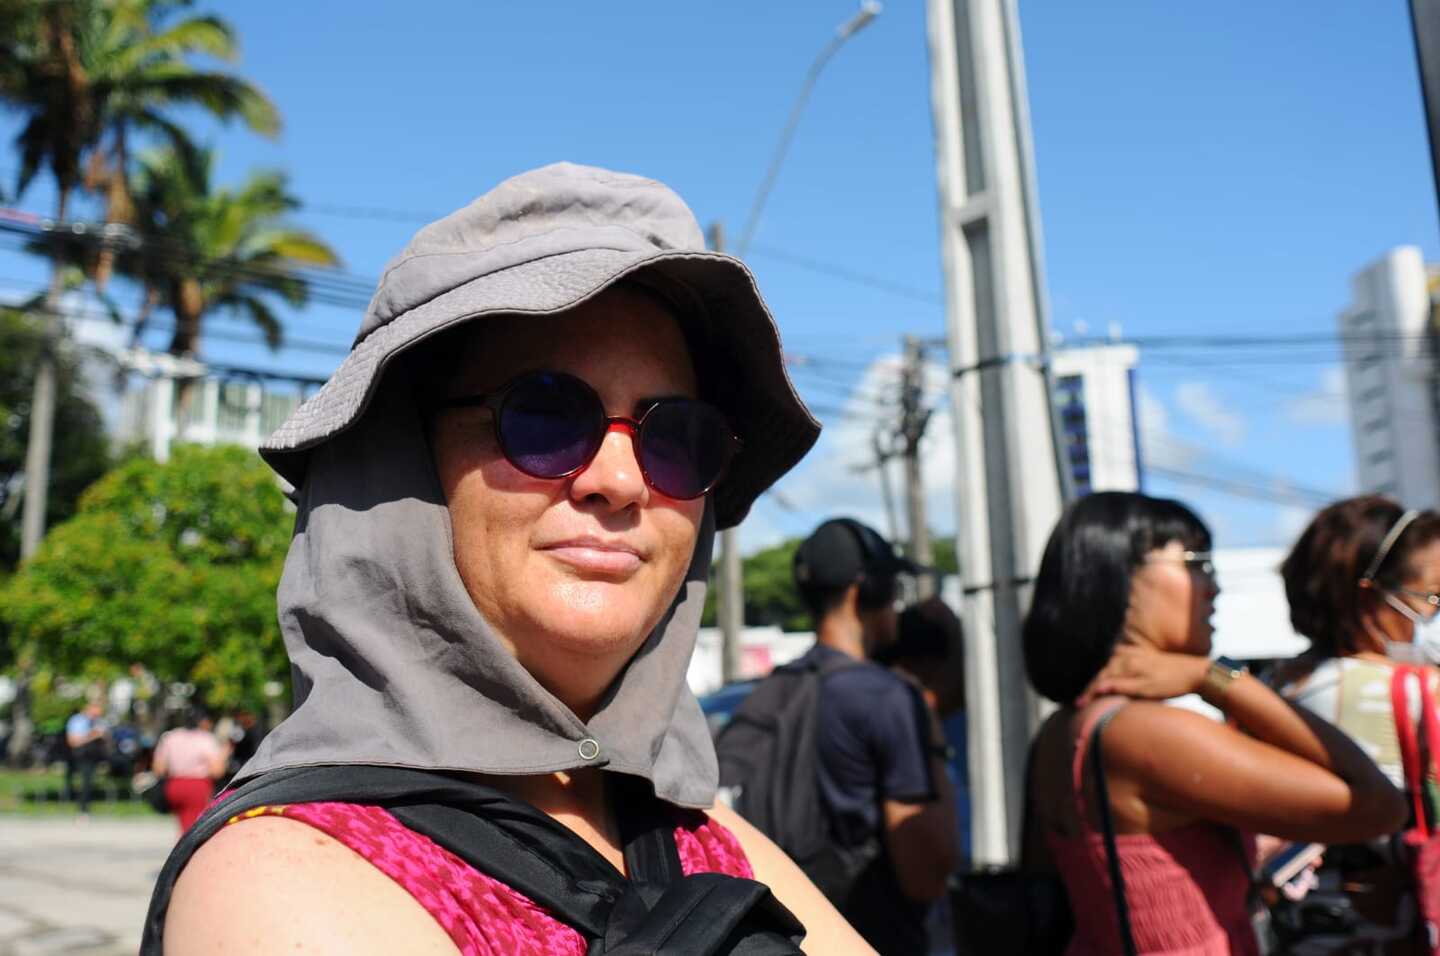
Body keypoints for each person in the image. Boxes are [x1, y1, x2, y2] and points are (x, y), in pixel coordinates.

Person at [149, 163, 871, 954]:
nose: (621, 481)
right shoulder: (281, 879)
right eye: (547, 419)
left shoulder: (710, 840)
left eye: (677, 438)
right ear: (406, 465)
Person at [1023, 491, 1406, 956]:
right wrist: (1218, 677)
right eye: (1195, 562)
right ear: (1122, 577)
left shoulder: (1064, 728)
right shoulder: (1145, 733)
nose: (1214, 585)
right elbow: (1379, 805)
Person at [1271, 496, 1440, 951]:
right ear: (1369, 595)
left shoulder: (1283, 684)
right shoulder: (1407, 693)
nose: (1434, 613)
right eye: (1432, 595)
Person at [789, 518, 961, 955]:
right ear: (862, 591)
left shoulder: (775, 688)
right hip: (883, 935)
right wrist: (933, 735)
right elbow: (927, 874)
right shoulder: (888, 696)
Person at [152, 709, 229, 832]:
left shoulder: (170, 737)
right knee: (194, 829)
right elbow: (217, 771)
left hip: (174, 785)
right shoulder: (206, 738)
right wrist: (224, 755)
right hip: (197, 786)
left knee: (183, 824)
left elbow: (159, 768)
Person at [64, 699, 108, 818]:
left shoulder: (100, 722)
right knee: (86, 780)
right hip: (81, 755)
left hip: (97, 754)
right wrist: (91, 735)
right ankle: (83, 809)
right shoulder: (77, 721)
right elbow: (73, 742)